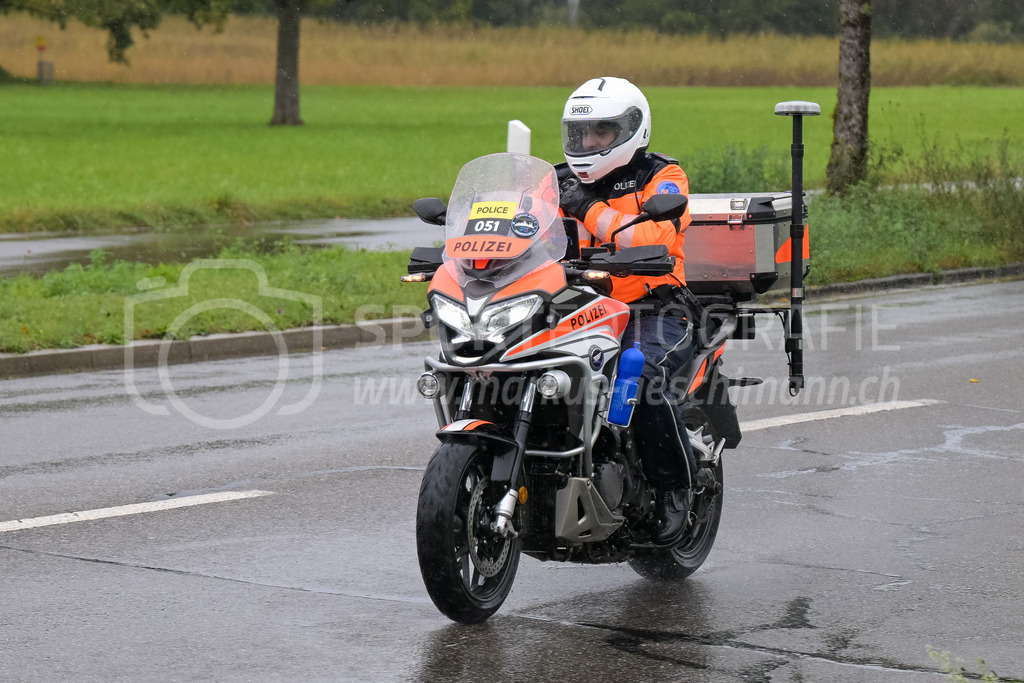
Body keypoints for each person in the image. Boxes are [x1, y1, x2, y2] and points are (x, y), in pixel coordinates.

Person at [556, 76, 699, 545]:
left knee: (642, 379)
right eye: (580, 133)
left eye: (602, 131)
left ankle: (675, 488)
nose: (588, 143)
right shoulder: (553, 180)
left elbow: (651, 238)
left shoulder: (662, 177)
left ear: (632, 129)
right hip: (576, 309)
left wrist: (588, 208)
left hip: (653, 309)